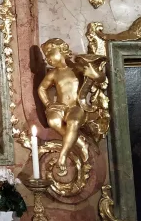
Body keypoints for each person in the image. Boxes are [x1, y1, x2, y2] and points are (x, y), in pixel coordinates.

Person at [38, 38, 105, 175]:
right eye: (45, 55)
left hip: (77, 106)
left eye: (49, 52)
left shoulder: (77, 68)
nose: (47, 58)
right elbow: (41, 89)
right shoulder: (53, 73)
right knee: (53, 121)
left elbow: (101, 78)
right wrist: (49, 104)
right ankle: (77, 140)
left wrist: (94, 74)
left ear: (62, 50)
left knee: (73, 121)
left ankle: (63, 155)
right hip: (60, 106)